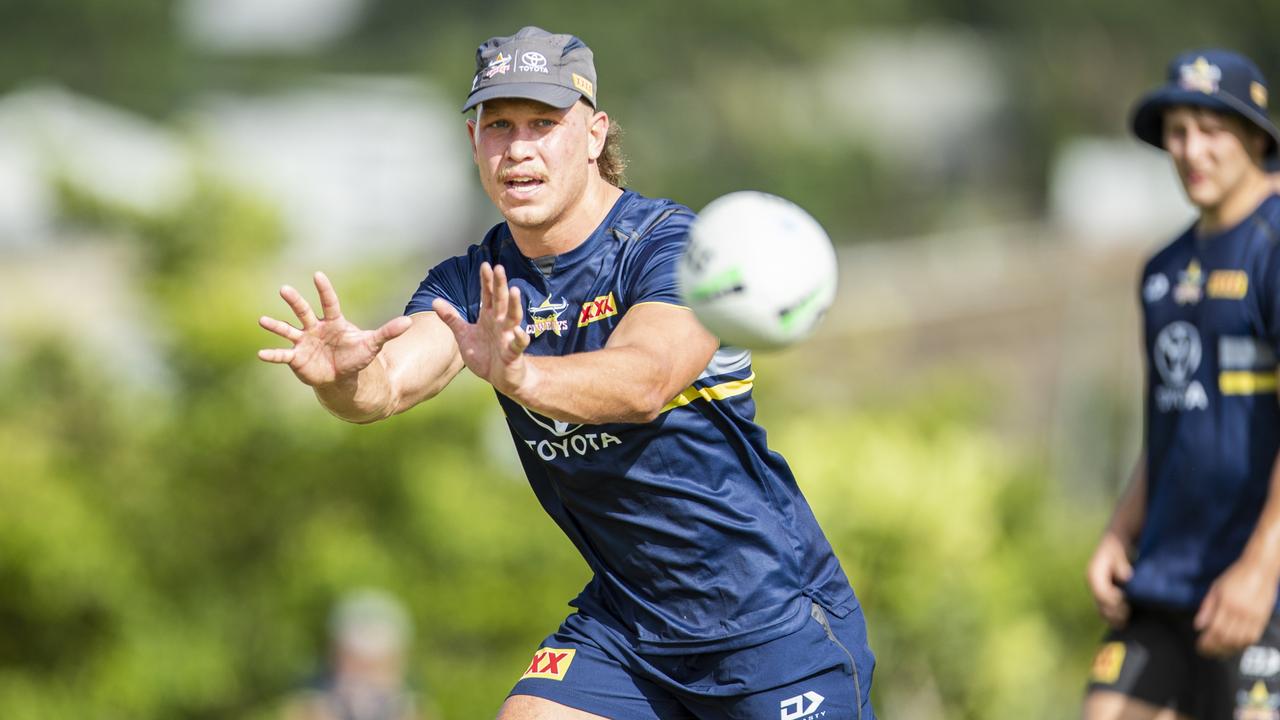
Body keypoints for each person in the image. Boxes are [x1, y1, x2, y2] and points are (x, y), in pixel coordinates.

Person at [258, 25, 876, 720]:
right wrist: (340, 379)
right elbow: (387, 386)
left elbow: (643, 382)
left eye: (543, 124)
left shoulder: (670, 248)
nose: (518, 148)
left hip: (772, 623)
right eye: (499, 126)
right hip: (628, 628)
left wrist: (522, 379)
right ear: (473, 144)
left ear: (593, 134)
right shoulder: (471, 281)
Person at [1083, 49, 1280, 720]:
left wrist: (1260, 570)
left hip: (1259, 590)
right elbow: (1172, 421)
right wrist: (1118, 531)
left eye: (1212, 128)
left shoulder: (1273, 247)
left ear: (1257, 135)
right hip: (1166, 579)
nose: (1192, 149)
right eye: (1177, 131)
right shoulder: (1163, 269)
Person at [282, 589, 432, 720]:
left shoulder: (414, 711)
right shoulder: (308, 708)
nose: (365, 675)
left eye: (377, 665)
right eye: (355, 661)